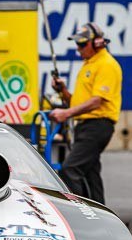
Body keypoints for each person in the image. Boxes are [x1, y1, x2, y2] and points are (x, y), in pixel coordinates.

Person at [49, 23, 122, 204]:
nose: (78, 48)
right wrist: (63, 91)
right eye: (77, 44)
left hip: (97, 126)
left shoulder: (107, 65)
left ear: (97, 43)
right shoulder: (89, 65)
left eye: (82, 44)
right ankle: (100, 213)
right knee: (90, 173)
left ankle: (79, 212)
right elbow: (78, 103)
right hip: (86, 127)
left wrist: (66, 113)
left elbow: (97, 101)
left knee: (70, 169)